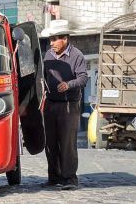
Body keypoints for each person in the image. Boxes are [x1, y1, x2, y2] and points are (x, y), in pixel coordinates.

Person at [41, 20, 88, 190]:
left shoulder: (77, 55)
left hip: (69, 105)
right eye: (51, 39)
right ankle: (54, 177)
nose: (51, 43)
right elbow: (44, 77)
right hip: (50, 104)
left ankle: (69, 178)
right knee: (50, 142)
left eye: (55, 39)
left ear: (65, 39)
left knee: (67, 143)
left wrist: (69, 84)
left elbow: (83, 78)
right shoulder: (48, 55)